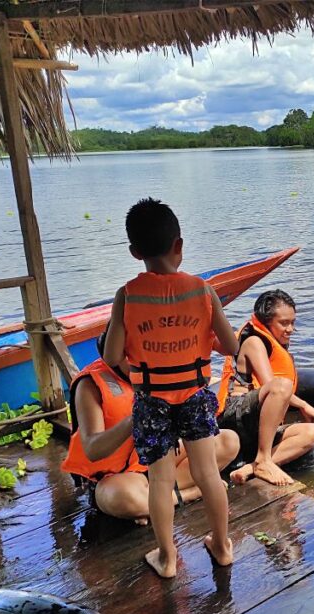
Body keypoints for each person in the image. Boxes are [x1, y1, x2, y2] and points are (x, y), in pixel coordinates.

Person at [102, 197, 238, 578]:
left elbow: (113, 354)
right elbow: (230, 346)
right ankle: (223, 546)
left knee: (159, 480)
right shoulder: (202, 290)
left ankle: (167, 558)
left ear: (134, 252)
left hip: (151, 401)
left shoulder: (127, 295)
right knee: (209, 472)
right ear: (179, 245)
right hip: (195, 395)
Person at [62, 329, 240, 524]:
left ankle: (154, 502)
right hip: (121, 478)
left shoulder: (159, 368)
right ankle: (188, 494)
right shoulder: (90, 385)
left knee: (228, 441)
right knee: (123, 497)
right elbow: (92, 449)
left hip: (161, 462)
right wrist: (135, 418)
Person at [216, 289, 314, 487]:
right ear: (267, 321)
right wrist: (304, 405)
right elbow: (271, 384)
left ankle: (251, 467)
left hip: (253, 423)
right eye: (284, 323)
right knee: (281, 386)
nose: (290, 329)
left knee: (311, 433)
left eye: (293, 322)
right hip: (234, 417)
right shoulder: (254, 341)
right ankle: (263, 460)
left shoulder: (273, 341)